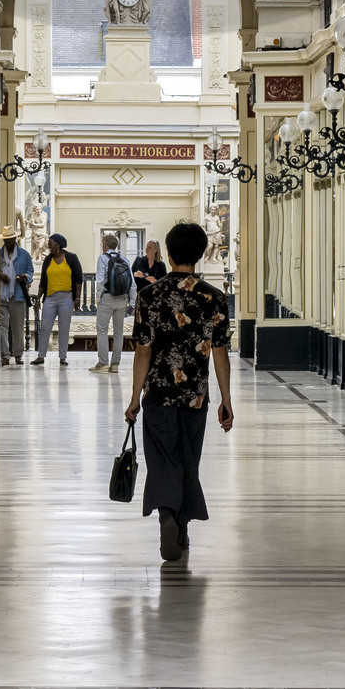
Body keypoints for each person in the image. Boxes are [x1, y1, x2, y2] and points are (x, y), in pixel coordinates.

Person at [124, 220, 233, 568]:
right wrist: (226, 400)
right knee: (188, 459)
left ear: (168, 254)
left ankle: (166, 514)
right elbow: (219, 351)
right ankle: (182, 528)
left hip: (158, 394)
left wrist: (134, 398)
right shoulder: (214, 298)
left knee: (161, 459)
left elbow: (142, 350)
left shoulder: (149, 296)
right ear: (200, 254)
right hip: (194, 397)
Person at [31, 232, 82, 366]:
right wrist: (38, 299)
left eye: (50, 244)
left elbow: (78, 279)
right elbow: (43, 281)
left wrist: (77, 297)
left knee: (64, 328)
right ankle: (41, 356)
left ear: (58, 246)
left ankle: (62, 356)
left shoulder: (71, 258)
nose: (48, 247)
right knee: (45, 327)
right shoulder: (48, 260)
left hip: (66, 298)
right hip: (50, 298)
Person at [92, 233, 134, 372]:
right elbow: (132, 284)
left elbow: (100, 280)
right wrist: (132, 302)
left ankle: (103, 363)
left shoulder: (103, 258)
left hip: (107, 298)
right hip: (122, 299)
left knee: (102, 331)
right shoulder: (124, 260)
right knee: (118, 333)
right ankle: (115, 364)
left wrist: (99, 299)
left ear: (104, 245)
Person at [0, 231, 32, 367]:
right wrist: (0, 275)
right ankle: (5, 355)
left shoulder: (24, 254)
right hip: (1, 294)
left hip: (17, 295)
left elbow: (30, 271)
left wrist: (23, 276)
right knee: (2, 327)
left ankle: (18, 354)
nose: (8, 243)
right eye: (5, 240)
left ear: (15, 239)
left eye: (10, 240)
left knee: (18, 326)